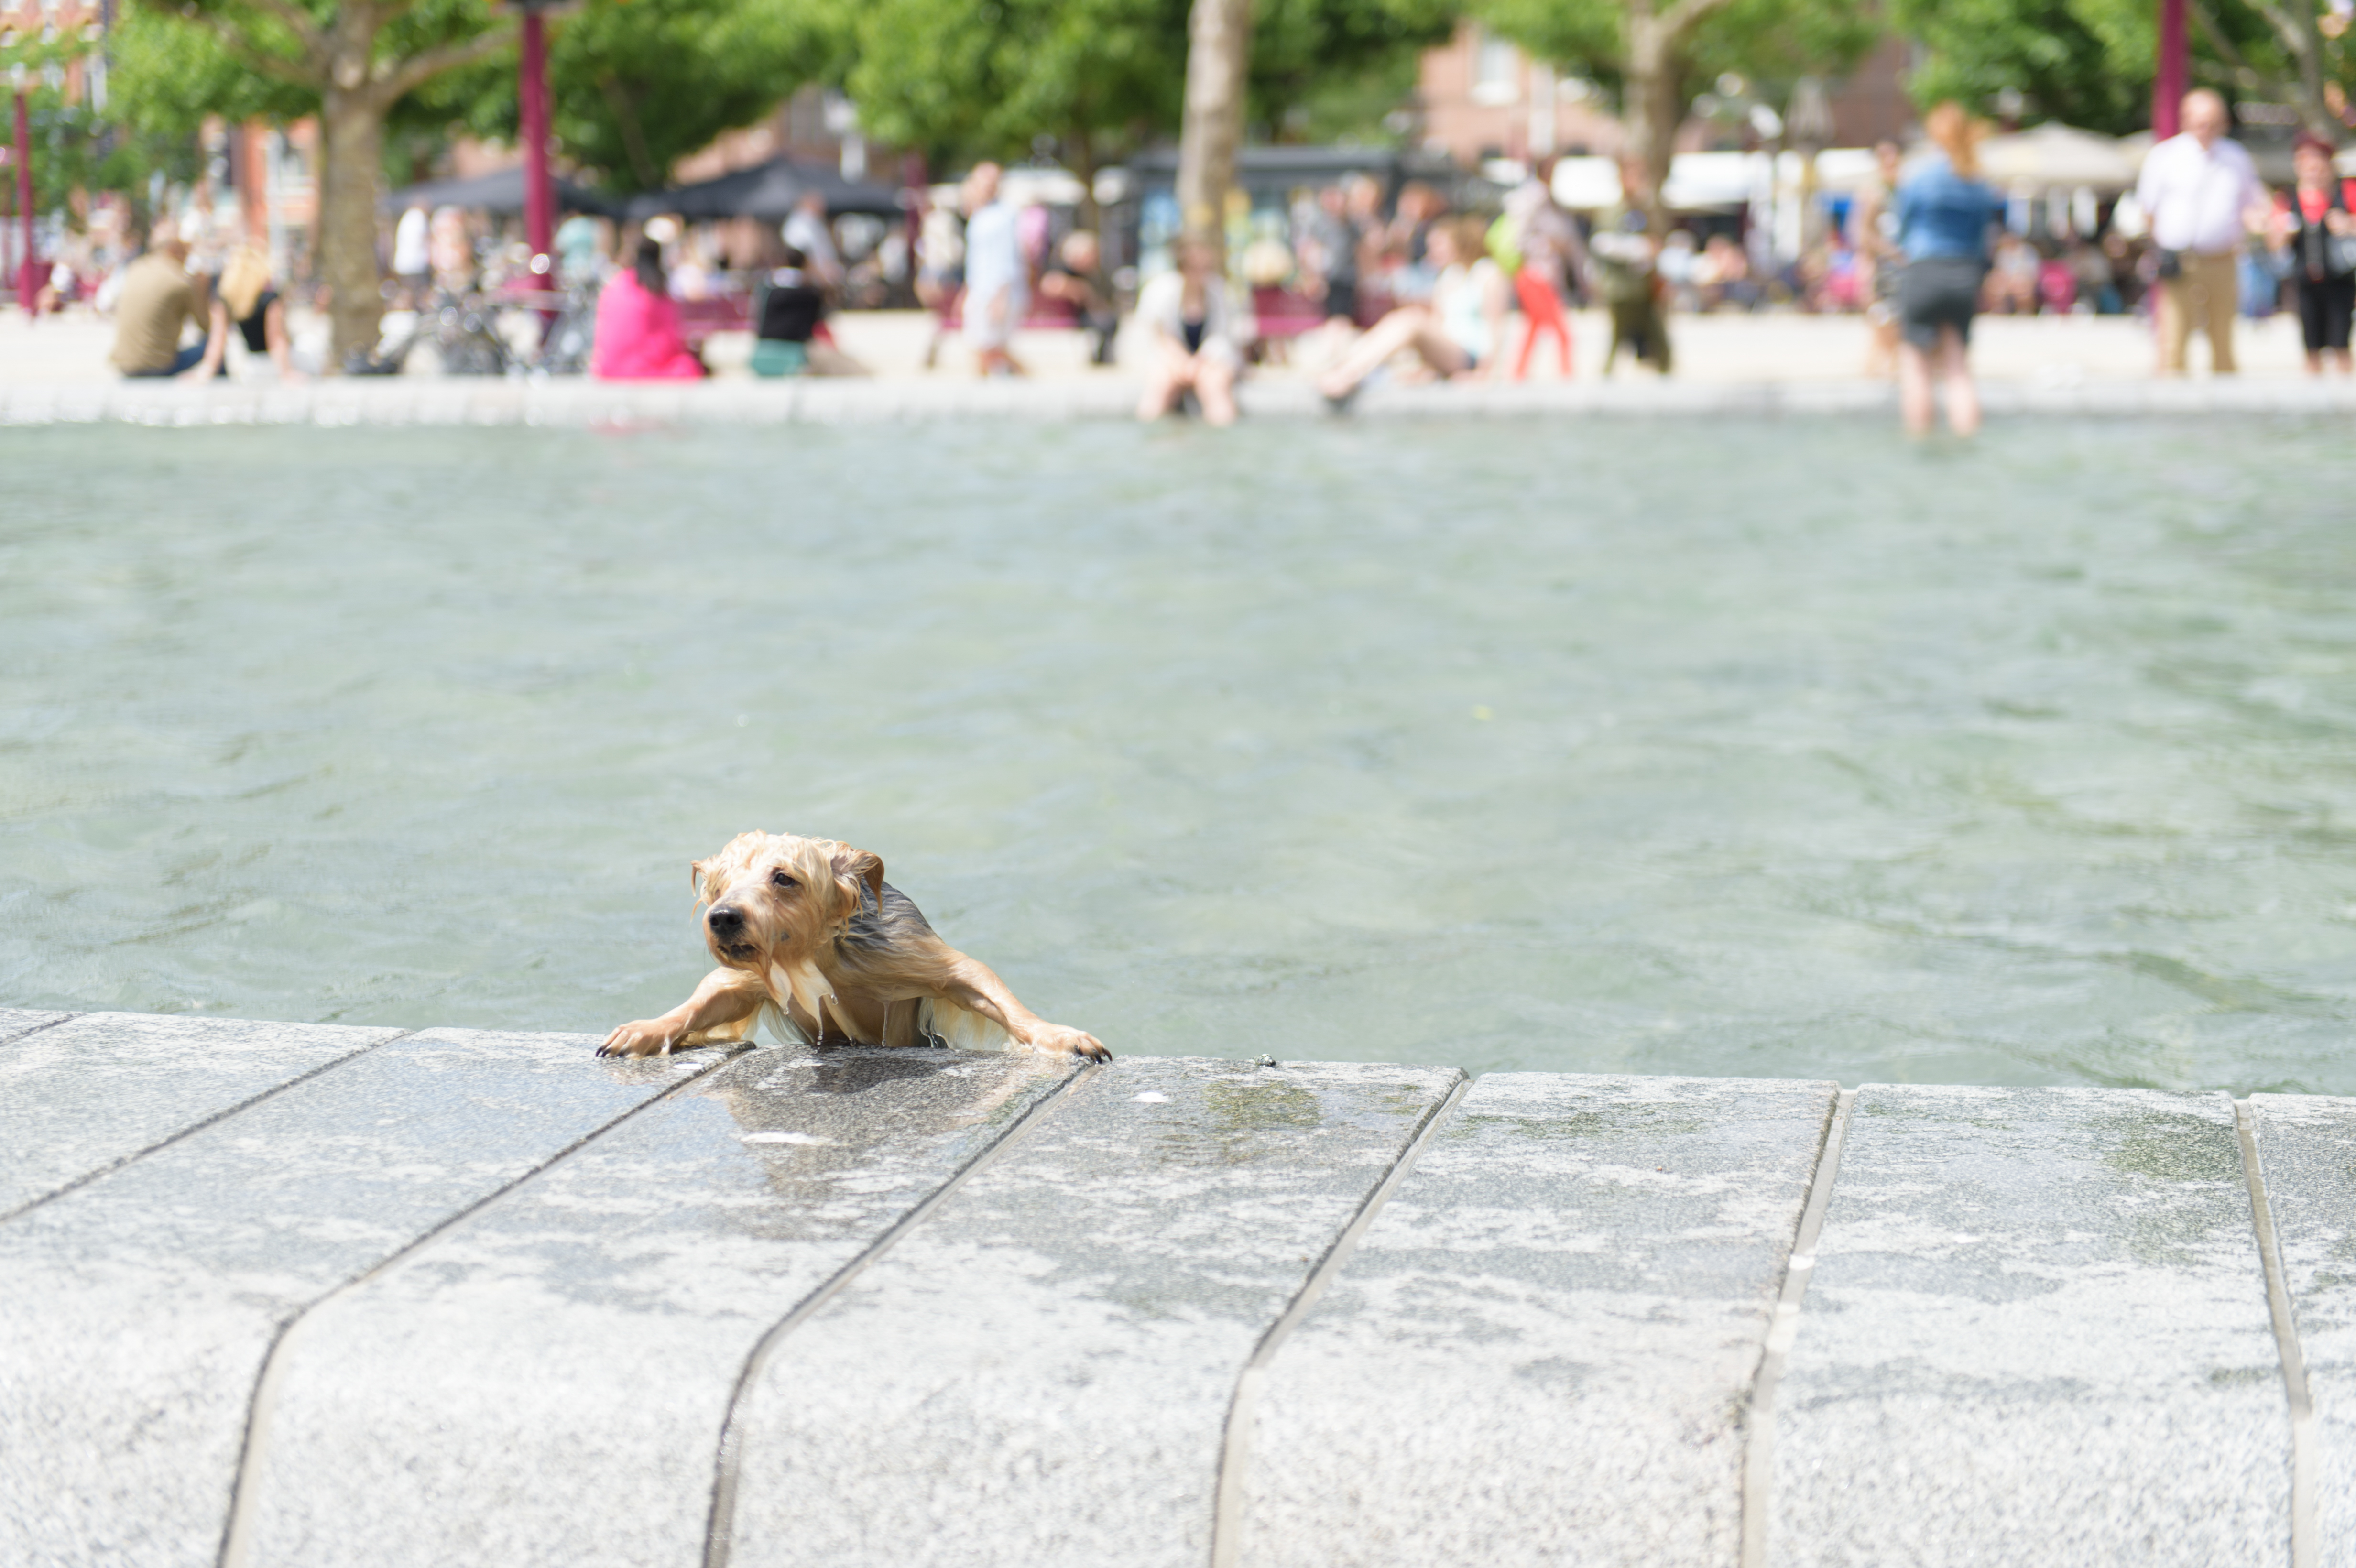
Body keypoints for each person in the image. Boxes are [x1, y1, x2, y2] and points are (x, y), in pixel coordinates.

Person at [2135, 87, 2267, 375]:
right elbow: (2147, 211)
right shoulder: (2165, 156)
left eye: (2211, 121)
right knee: (2173, 344)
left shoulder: (2236, 157)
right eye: (2199, 121)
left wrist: (2259, 225)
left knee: (2223, 343)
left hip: (2222, 259)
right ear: (2185, 120)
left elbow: (2254, 203)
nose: (2205, 128)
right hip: (2180, 261)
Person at [1894, 101, 2004, 437]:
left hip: (1924, 270)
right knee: (1958, 369)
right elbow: (1984, 239)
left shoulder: (1919, 176)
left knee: (1916, 365)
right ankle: (1967, 437)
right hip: (1965, 276)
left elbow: (1902, 229)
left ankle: (1919, 439)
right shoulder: (1978, 181)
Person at [1316, 215, 1508, 405]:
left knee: (1411, 319)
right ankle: (1345, 367)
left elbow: (1495, 326)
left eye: (1440, 244)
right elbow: (1439, 324)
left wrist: (1485, 374)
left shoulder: (1487, 273)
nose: (1432, 251)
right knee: (1401, 318)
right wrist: (1428, 369)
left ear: (1460, 243)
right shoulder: (1450, 276)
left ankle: (1349, 374)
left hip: (1470, 356)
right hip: (1449, 352)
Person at [1136, 236, 1250, 425]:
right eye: (1194, 265)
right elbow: (1159, 334)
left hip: (1212, 360)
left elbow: (1223, 335)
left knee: (1215, 386)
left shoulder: (1221, 290)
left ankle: (1223, 442)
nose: (1201, 270)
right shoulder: (1159, 290)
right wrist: (1182, 363)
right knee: (1160, 386)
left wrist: (1199, 363)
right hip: (1170, 359)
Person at [2270, 131, 2355, 375]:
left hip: (2340, 280)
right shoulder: (2287, 198)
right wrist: (2283, 233)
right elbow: (2273, 243)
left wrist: (2349, 224)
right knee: (2311, 345)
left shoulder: (2346, 192)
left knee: (2341, 343)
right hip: (2305, 281)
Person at [109, 227, 228, 379]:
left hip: (124, 366)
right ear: (173, 250)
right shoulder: (180, 281)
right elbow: (206, 326)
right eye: (184, 251)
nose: (187, 257)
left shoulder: (136, 268)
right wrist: (203, 291)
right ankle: (224, 387)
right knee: (215, 340)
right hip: (157, 368)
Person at [590, 236, 704, 380]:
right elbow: (670, 339)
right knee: (689, 367)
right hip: (638, 370)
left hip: (608, 368)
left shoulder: (617, 283)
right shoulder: (655, 289)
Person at [1503, 176, 1579, 378]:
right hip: (1534, 278)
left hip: (1543, 278)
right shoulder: (1530, 210)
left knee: (1533, 329)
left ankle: (1519, 372)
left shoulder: (1551, 213)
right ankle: (1566, 373)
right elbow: (1518, 242)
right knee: (1561, 331)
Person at [960, 163, 1027, 377]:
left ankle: (1031, 382)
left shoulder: (1004, 215)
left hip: (996, 292)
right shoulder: (979, 216)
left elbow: (1007, 260)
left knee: (988, 348)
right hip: (982, 291)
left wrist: (1001, 296)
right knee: (984, 348)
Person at [1854, 139, 1906, 376]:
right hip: (1884, 266)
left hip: (1897, 266)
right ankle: (1879, 369)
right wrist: (1891, 253)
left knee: (1892, 322)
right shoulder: (1874, 192)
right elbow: (1864, 235)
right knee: (1884, 320)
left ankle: (1885, 368)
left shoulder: (1902, 189)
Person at [217, 241, 302, 379]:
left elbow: (218, 339)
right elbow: (276, 337)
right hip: (275, 365)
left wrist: (205, 372)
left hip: (251, 367)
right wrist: (287, 372)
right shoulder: (270, 298)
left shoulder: (228, 300)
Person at [1038, 229, 1119, 366]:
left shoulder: (1094, 273)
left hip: (1085, 314)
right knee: (1105, 323)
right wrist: (1079, 289)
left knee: (1110, 321)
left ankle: (1103, 356)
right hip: (1068, 315)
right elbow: (1049, 285)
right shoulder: (1062, 268)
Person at [781, 191, 843, 289]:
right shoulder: (799, 224)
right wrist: (821, 276)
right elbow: (802, 256)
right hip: (808, 282)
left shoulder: (814, 222)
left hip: (819, 279)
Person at [392, 201, 430, 304]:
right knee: (420, 295)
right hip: (415, 264)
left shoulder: (407, 217)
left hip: (403, 263)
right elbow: (422, 238)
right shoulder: (418, 216)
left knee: (409, 292)